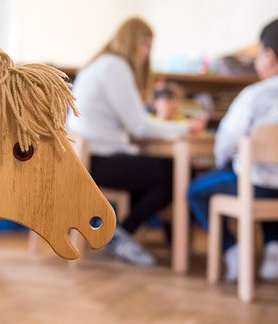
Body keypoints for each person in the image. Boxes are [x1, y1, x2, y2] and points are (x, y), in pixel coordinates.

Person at [187, 16, 278, 282]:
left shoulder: (254, 95)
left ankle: (233, 250)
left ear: (270, 56)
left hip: (257, 184)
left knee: (195, 192)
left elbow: (225, 141)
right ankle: (274, 248)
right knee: (268, 186)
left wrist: (222, 160)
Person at [67, 17, 205, 266]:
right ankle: (120, 233)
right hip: (98, 161)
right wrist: (184, 126)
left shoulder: (98, 65)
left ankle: (120, 232)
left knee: (160, 172)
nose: (147, 53)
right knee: (177, 172)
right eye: (145, 45)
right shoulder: (115, 66)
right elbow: (139, 126)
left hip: (83, 159)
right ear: (132, 42)